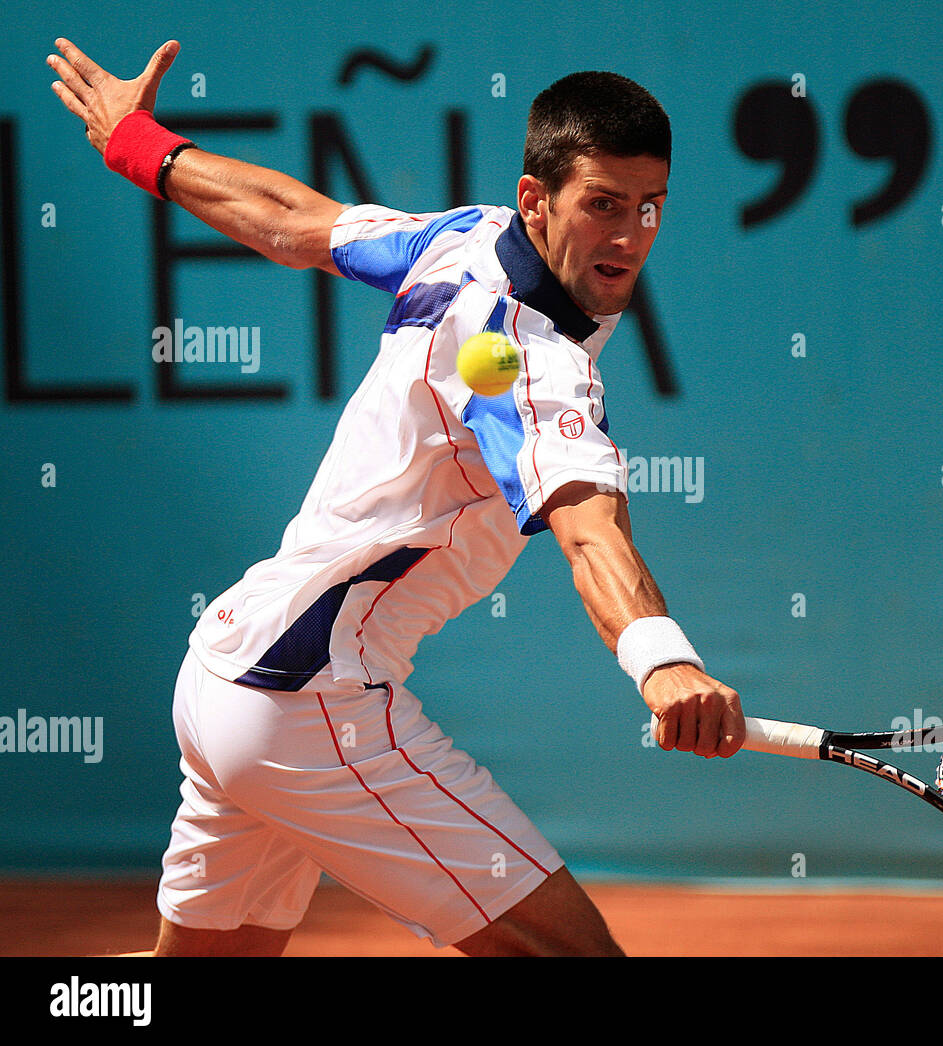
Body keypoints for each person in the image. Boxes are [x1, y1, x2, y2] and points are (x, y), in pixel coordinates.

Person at [48, 37, 746, 957]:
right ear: (538, 201)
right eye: (603, 206)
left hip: (225, 674)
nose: (628, 238)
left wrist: (139, 144)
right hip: (311, 702)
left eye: (649, 208)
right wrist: (664, 663)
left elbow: (293, 219)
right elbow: (590, 534)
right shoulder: (530, 364)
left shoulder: (465, 240)